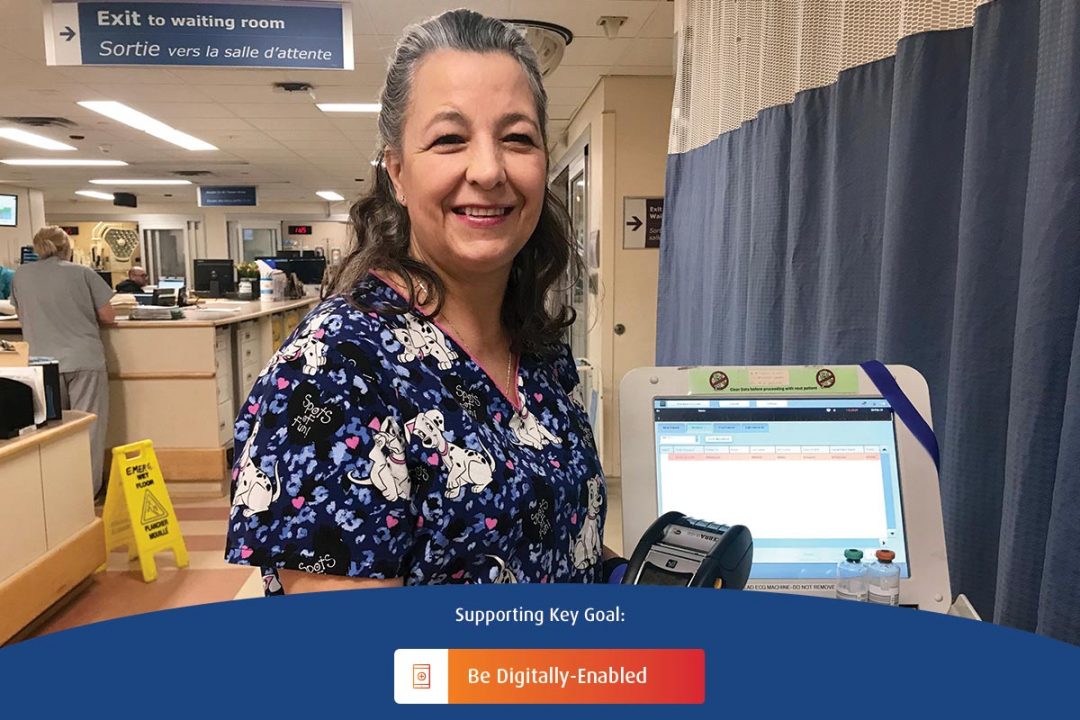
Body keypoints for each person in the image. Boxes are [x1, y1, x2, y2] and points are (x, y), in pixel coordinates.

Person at [225, 9, 613, 595]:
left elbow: (560, 539)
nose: (488, 169)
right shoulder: (334, 372)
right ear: (398, 173)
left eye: (517, 138)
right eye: (450, 139)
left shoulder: (534, 347)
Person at [11, 226, 115, 499]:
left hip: (41, 362)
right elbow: (108, 316)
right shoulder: (82, 273)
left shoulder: (21, 275)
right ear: (66, 248)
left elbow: (22, 315)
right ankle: (86, 492)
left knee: (50, 430)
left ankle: (56, 494)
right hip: (84, 359)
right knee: (88, 427)